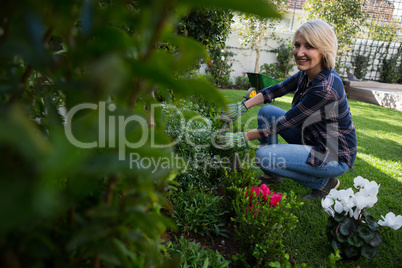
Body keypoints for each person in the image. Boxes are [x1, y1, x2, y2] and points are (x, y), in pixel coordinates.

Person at [218, 19, 357, 199]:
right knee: (266, 112)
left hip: (333, 155)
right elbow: (277, 89)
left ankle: (324, 184)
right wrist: (243, 106)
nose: (299, 53)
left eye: (309, 46)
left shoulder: (325, 88)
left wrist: (243, 137)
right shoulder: (306, 73)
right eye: (297, 45)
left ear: (324, 49)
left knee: (263, 156)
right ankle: (272, 174)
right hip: (314, 137)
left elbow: (285, 122)